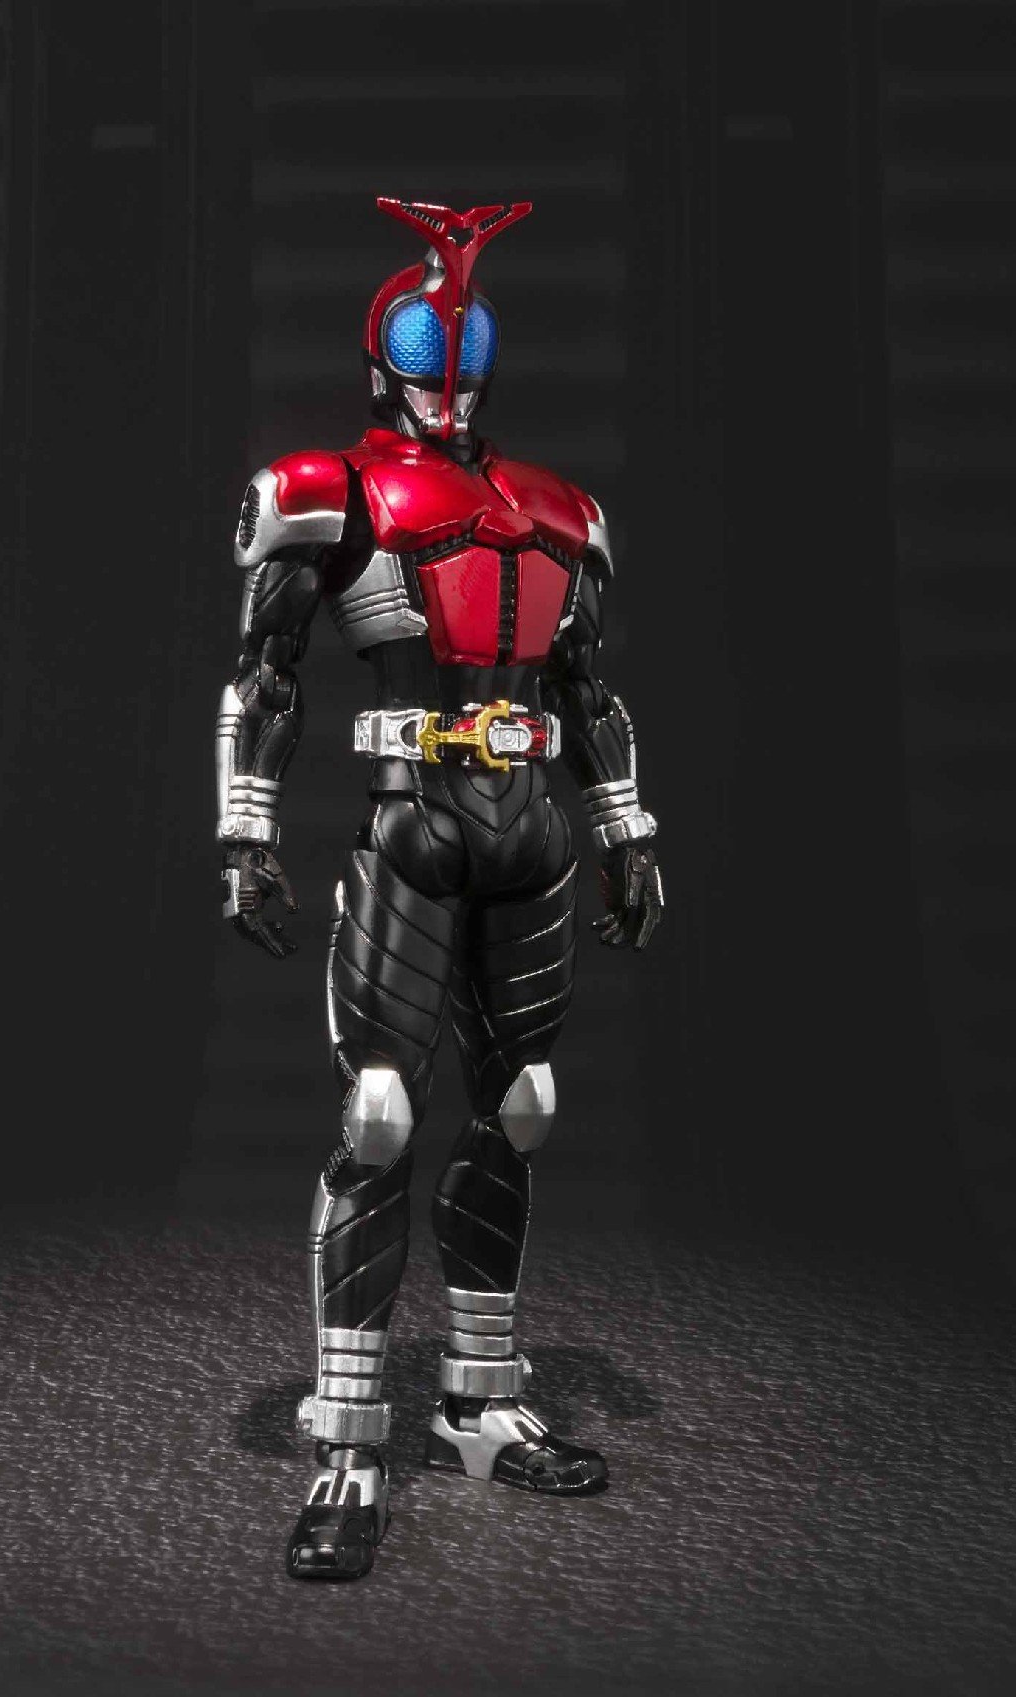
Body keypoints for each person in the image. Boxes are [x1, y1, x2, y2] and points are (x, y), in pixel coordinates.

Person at [216, 199, 663, 1580]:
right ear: (385, 356)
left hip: (529, 832)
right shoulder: (332, 492)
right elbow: (268, 676)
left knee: (520, 1108)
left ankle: (480, 1400)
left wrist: (629, 829)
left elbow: (588, 691)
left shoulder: (562, 511)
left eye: (465, 346)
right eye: (427, 343)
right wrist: (246, 832)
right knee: (379, 1112)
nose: (449, 369)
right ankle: (350, 1438)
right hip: (411, 824)